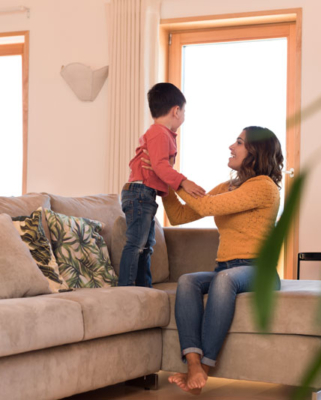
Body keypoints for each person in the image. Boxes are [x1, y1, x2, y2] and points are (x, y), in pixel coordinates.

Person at [143, 126, 283, 394]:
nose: (232, 146)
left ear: (256, 152)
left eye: (239, 142)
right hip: (226, 269)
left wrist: (175, 178)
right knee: (187, 281)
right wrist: (168, 185)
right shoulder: (228, 187)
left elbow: (207, 206)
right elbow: (180, 217)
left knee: (224, 279)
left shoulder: (263, 187)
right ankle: (193, 362)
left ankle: (204, 368)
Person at [118, 82, 205, 288]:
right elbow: (159, 165)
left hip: (145, 194)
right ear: (176, 110)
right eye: (184, 112)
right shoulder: (159, 133)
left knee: (147, 245)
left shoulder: (160, 133)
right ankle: (126, 288)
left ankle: (143, 288)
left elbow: (158, 167)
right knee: (136, 243)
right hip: (140, 193)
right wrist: (183, 181)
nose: (184, 117)